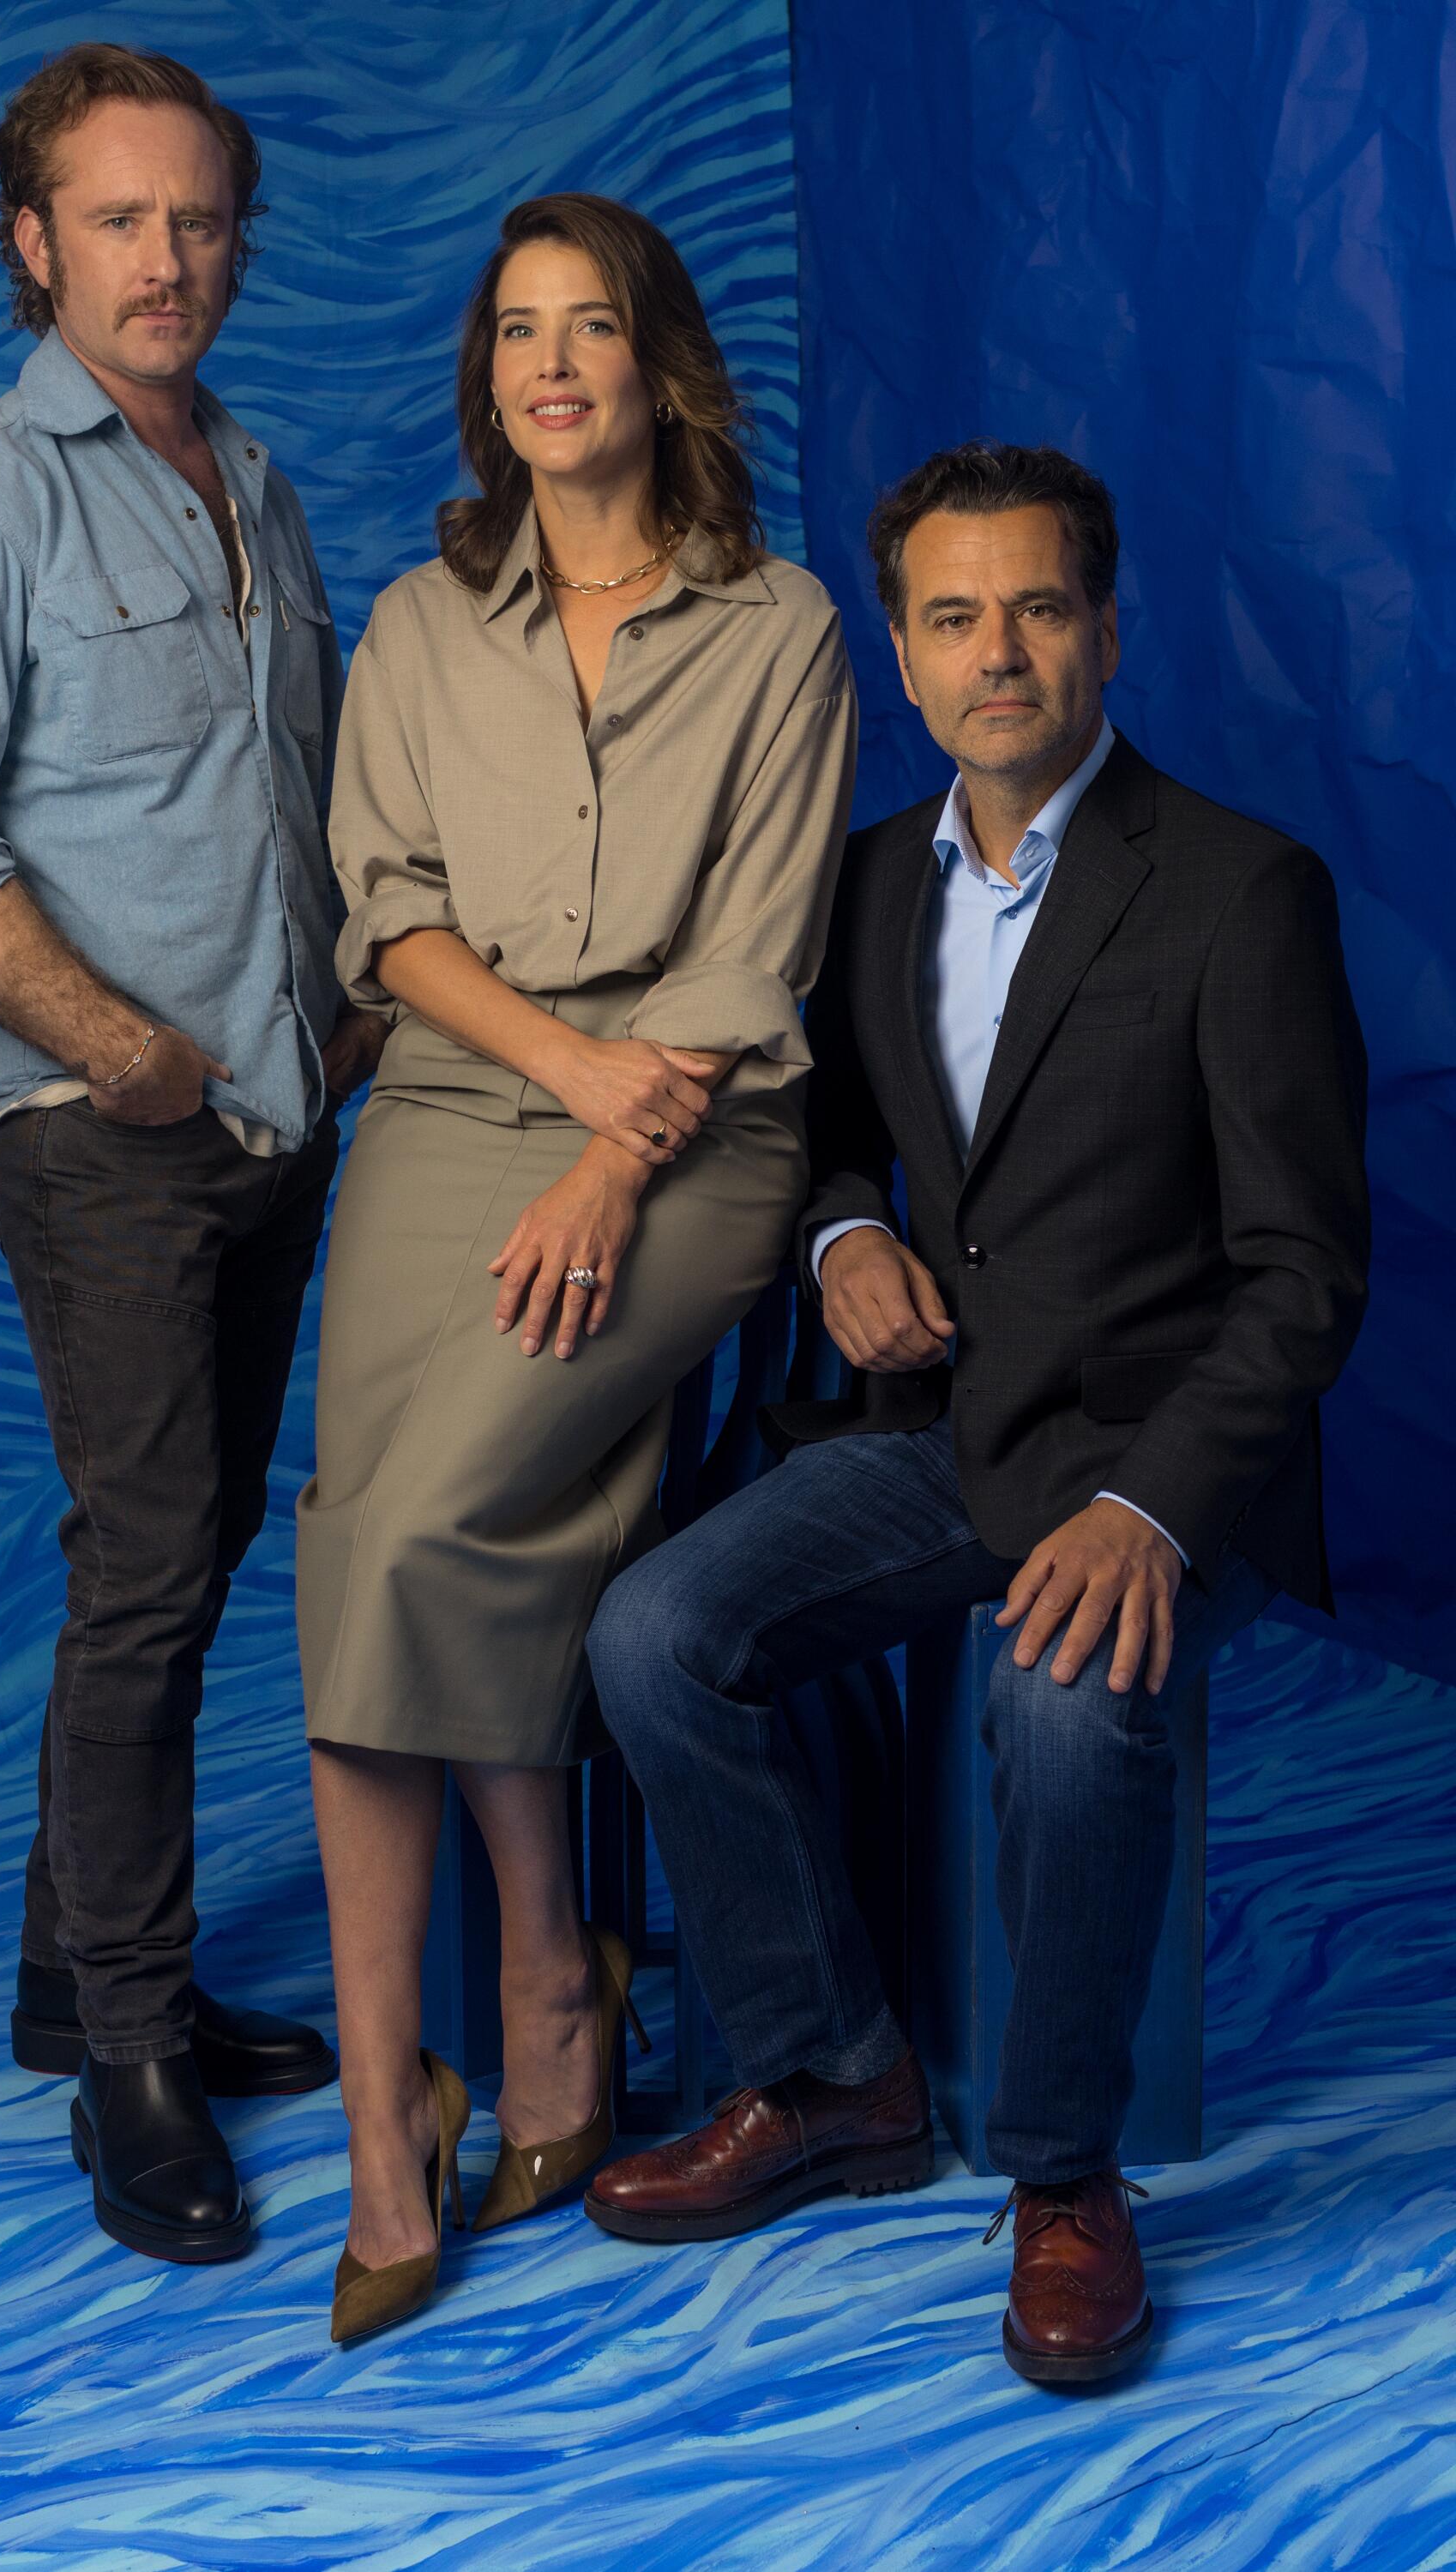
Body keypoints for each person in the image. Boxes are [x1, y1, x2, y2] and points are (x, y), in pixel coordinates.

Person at [582, 440, 1370, 2385]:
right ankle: (833, 2073)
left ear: (1104, 629)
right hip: (944, 1438)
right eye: (954, 617)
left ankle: (1060, 2175)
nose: (996, 650)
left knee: (1056, 1694)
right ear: (904, 656)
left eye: (1036, 607)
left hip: (1157, 1454)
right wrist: (846, 1228)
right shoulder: (864, 886)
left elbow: (1303, 1276)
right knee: (655, 1633)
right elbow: (840, 1125)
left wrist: (1159, 1511)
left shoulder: (1238, 891)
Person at [0, 43, 383, 2267]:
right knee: (158, 1570)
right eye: (121, 218)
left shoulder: (254, 486)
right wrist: (126, 1056)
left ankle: (74, 1972)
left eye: (200, 220)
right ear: (31, 240)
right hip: (102, 1126)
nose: (167, 259)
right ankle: (134, 2063)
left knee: (181, 1541)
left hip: (277, 1108)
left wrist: (324, 1033)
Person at [296, 192, 857, 2342]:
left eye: (588, 326)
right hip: (452, 1114)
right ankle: (426, 2077)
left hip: (700, 1135)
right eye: (515, 332)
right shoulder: (422, 622)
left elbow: (755, 946)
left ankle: (525, 1993)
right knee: (383, 1532)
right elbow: (390, 912)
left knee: (417, 1527)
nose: (549, 364)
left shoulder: (782, 622)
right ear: (490, 381)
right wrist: (553, 1092)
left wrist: (621, 1155)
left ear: (657, 364)